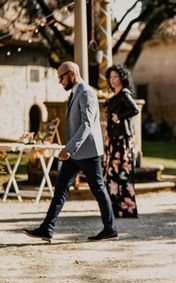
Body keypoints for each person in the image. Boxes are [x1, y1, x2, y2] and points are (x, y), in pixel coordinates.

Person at [23, 62, 117, 242]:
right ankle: (46, 228)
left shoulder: (86, 92)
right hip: (76, 153)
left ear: (72, 74)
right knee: (60, 188)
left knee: (97, 188)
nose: (60, 81)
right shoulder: (76, 92)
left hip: (88, 151)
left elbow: (87, 124)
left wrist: (69, 148)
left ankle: (110, 228)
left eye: (61, 77)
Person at [103, 65, 140, 218]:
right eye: (110, 77)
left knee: (122, 173)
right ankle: (115, 207)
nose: (112, 80)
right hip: (113, 139)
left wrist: (119, 117)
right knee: (113, 174)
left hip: (122, 140)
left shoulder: (124, 94)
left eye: (115, 77)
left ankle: (125, 208)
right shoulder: (116, 95)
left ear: (122, 78)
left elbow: (134, 110)